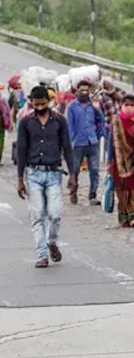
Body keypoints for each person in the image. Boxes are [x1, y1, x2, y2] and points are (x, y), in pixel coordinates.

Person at [16, 86, 75, 268]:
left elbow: (67, 147)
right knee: (37, 215)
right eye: (36, 104)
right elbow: (21, 150)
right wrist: (20, 179)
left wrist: (73, 174)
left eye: (43, 103)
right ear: (31, 102)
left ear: (48, 101)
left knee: (55, 214)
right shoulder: (25, 122)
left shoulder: (59, 120)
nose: (40, 106)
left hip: (54, 173)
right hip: (33, 174)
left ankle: (51, 241)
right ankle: (42, 255)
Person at [107, 95, 134, 228]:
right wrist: (109, 161)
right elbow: (111, 142)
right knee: (123, 189)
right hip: (119, 162)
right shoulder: (116, 121)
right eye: (126, 105)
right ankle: (126, 217)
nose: (129, 108)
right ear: (122, 106)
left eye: (132, 105)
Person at [67, 80, 105, 206]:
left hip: (92, 141)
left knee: (94, 170)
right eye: (82, 90)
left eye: (86, 90)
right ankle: (73, 192)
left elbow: (101, 120)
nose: (84, 92)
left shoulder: (93, 105)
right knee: (75, 170)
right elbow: (70, 126)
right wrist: (70, 142)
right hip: (78, 143)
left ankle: (93, 195)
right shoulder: (72, 106)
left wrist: (99, 134)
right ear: (77, 91)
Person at [0, 85, 11, 166]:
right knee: (0, 141)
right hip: (1, 125)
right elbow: (5, 114)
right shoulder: (2, 102)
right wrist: (7, 124)